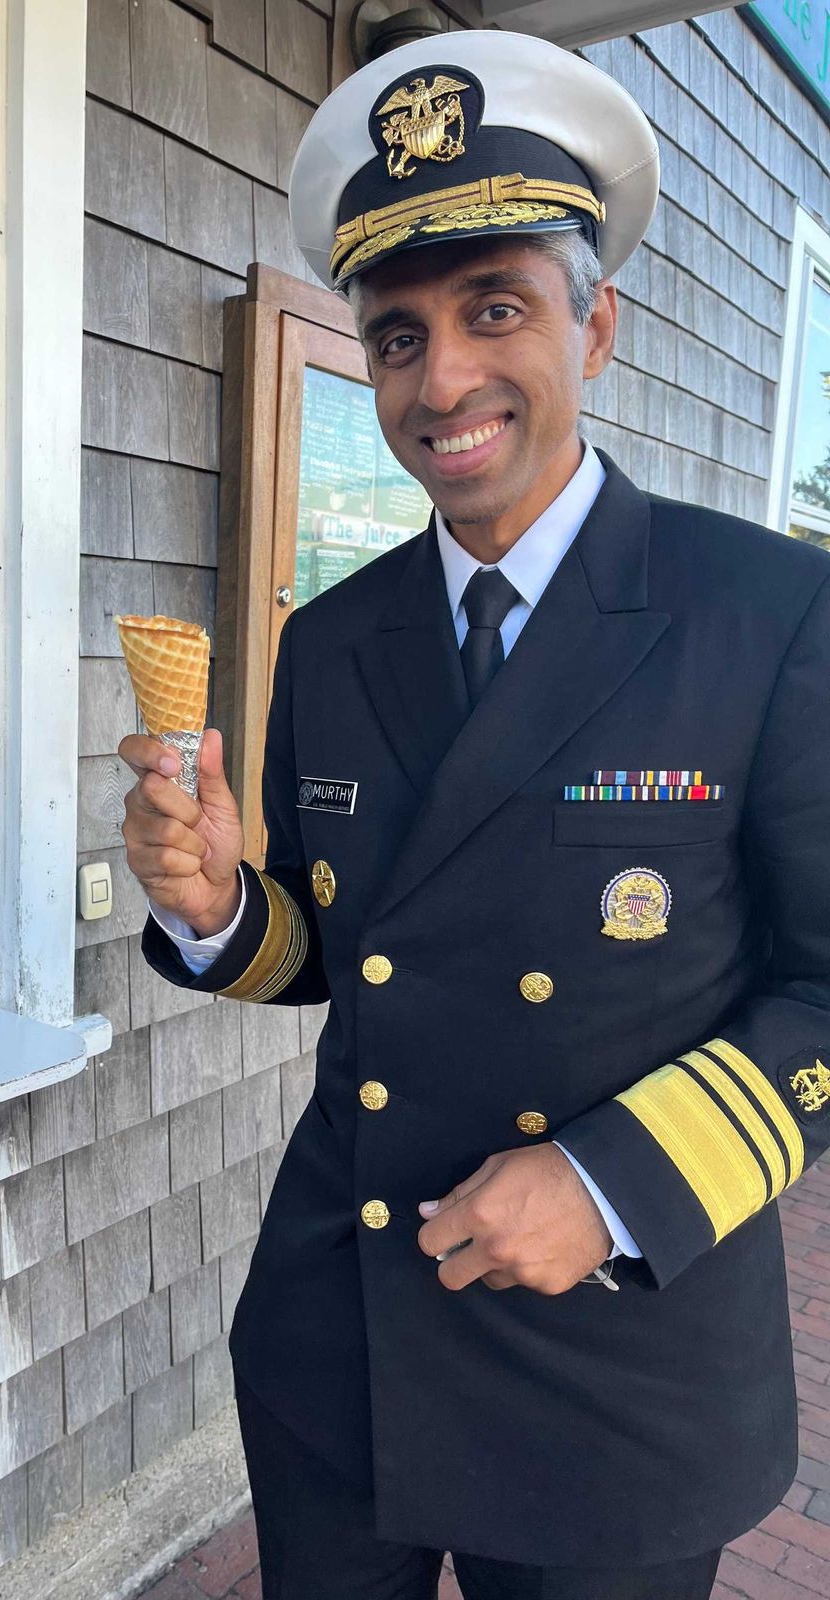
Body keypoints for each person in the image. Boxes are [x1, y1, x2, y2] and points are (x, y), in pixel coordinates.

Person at [117, 29, 830, 1600]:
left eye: (495, 311)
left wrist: (609, 1184)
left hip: (615, 1354)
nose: (441, 380)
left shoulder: (772, 611)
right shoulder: (335, 636)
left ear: (601, 326)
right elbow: (329, 945)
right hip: (343, 1329)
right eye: (395, 335)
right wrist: (217, 904)